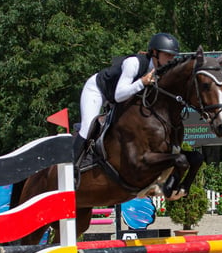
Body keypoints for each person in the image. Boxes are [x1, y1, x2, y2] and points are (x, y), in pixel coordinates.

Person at [73, 32, 180, 162]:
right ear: (154, 53)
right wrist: (142, 82)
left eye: (173, 56)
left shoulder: (162, 70)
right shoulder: (133, 63)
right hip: (98, 90)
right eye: (167, 55)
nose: (171, 59)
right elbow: (119, 95)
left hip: (121, 97)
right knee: (88, 127)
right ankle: (72, 167)